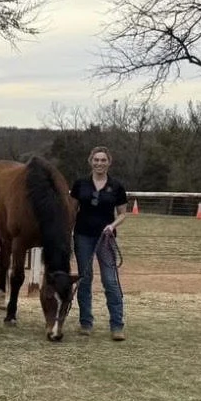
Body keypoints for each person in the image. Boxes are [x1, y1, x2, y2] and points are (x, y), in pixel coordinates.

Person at [70, 146, 130, 341]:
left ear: (109, 162)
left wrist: (112, 226)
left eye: (103, 160)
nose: (99, 163)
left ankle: (117, 325)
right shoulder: (80, 184)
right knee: (84, 279)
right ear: (90, 161)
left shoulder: (117, 186)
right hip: (82, 236)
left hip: (105, 238)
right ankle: (85, 322)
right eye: (96, 160)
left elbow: (123, 214)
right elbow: (72, 210)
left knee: (110, 281)